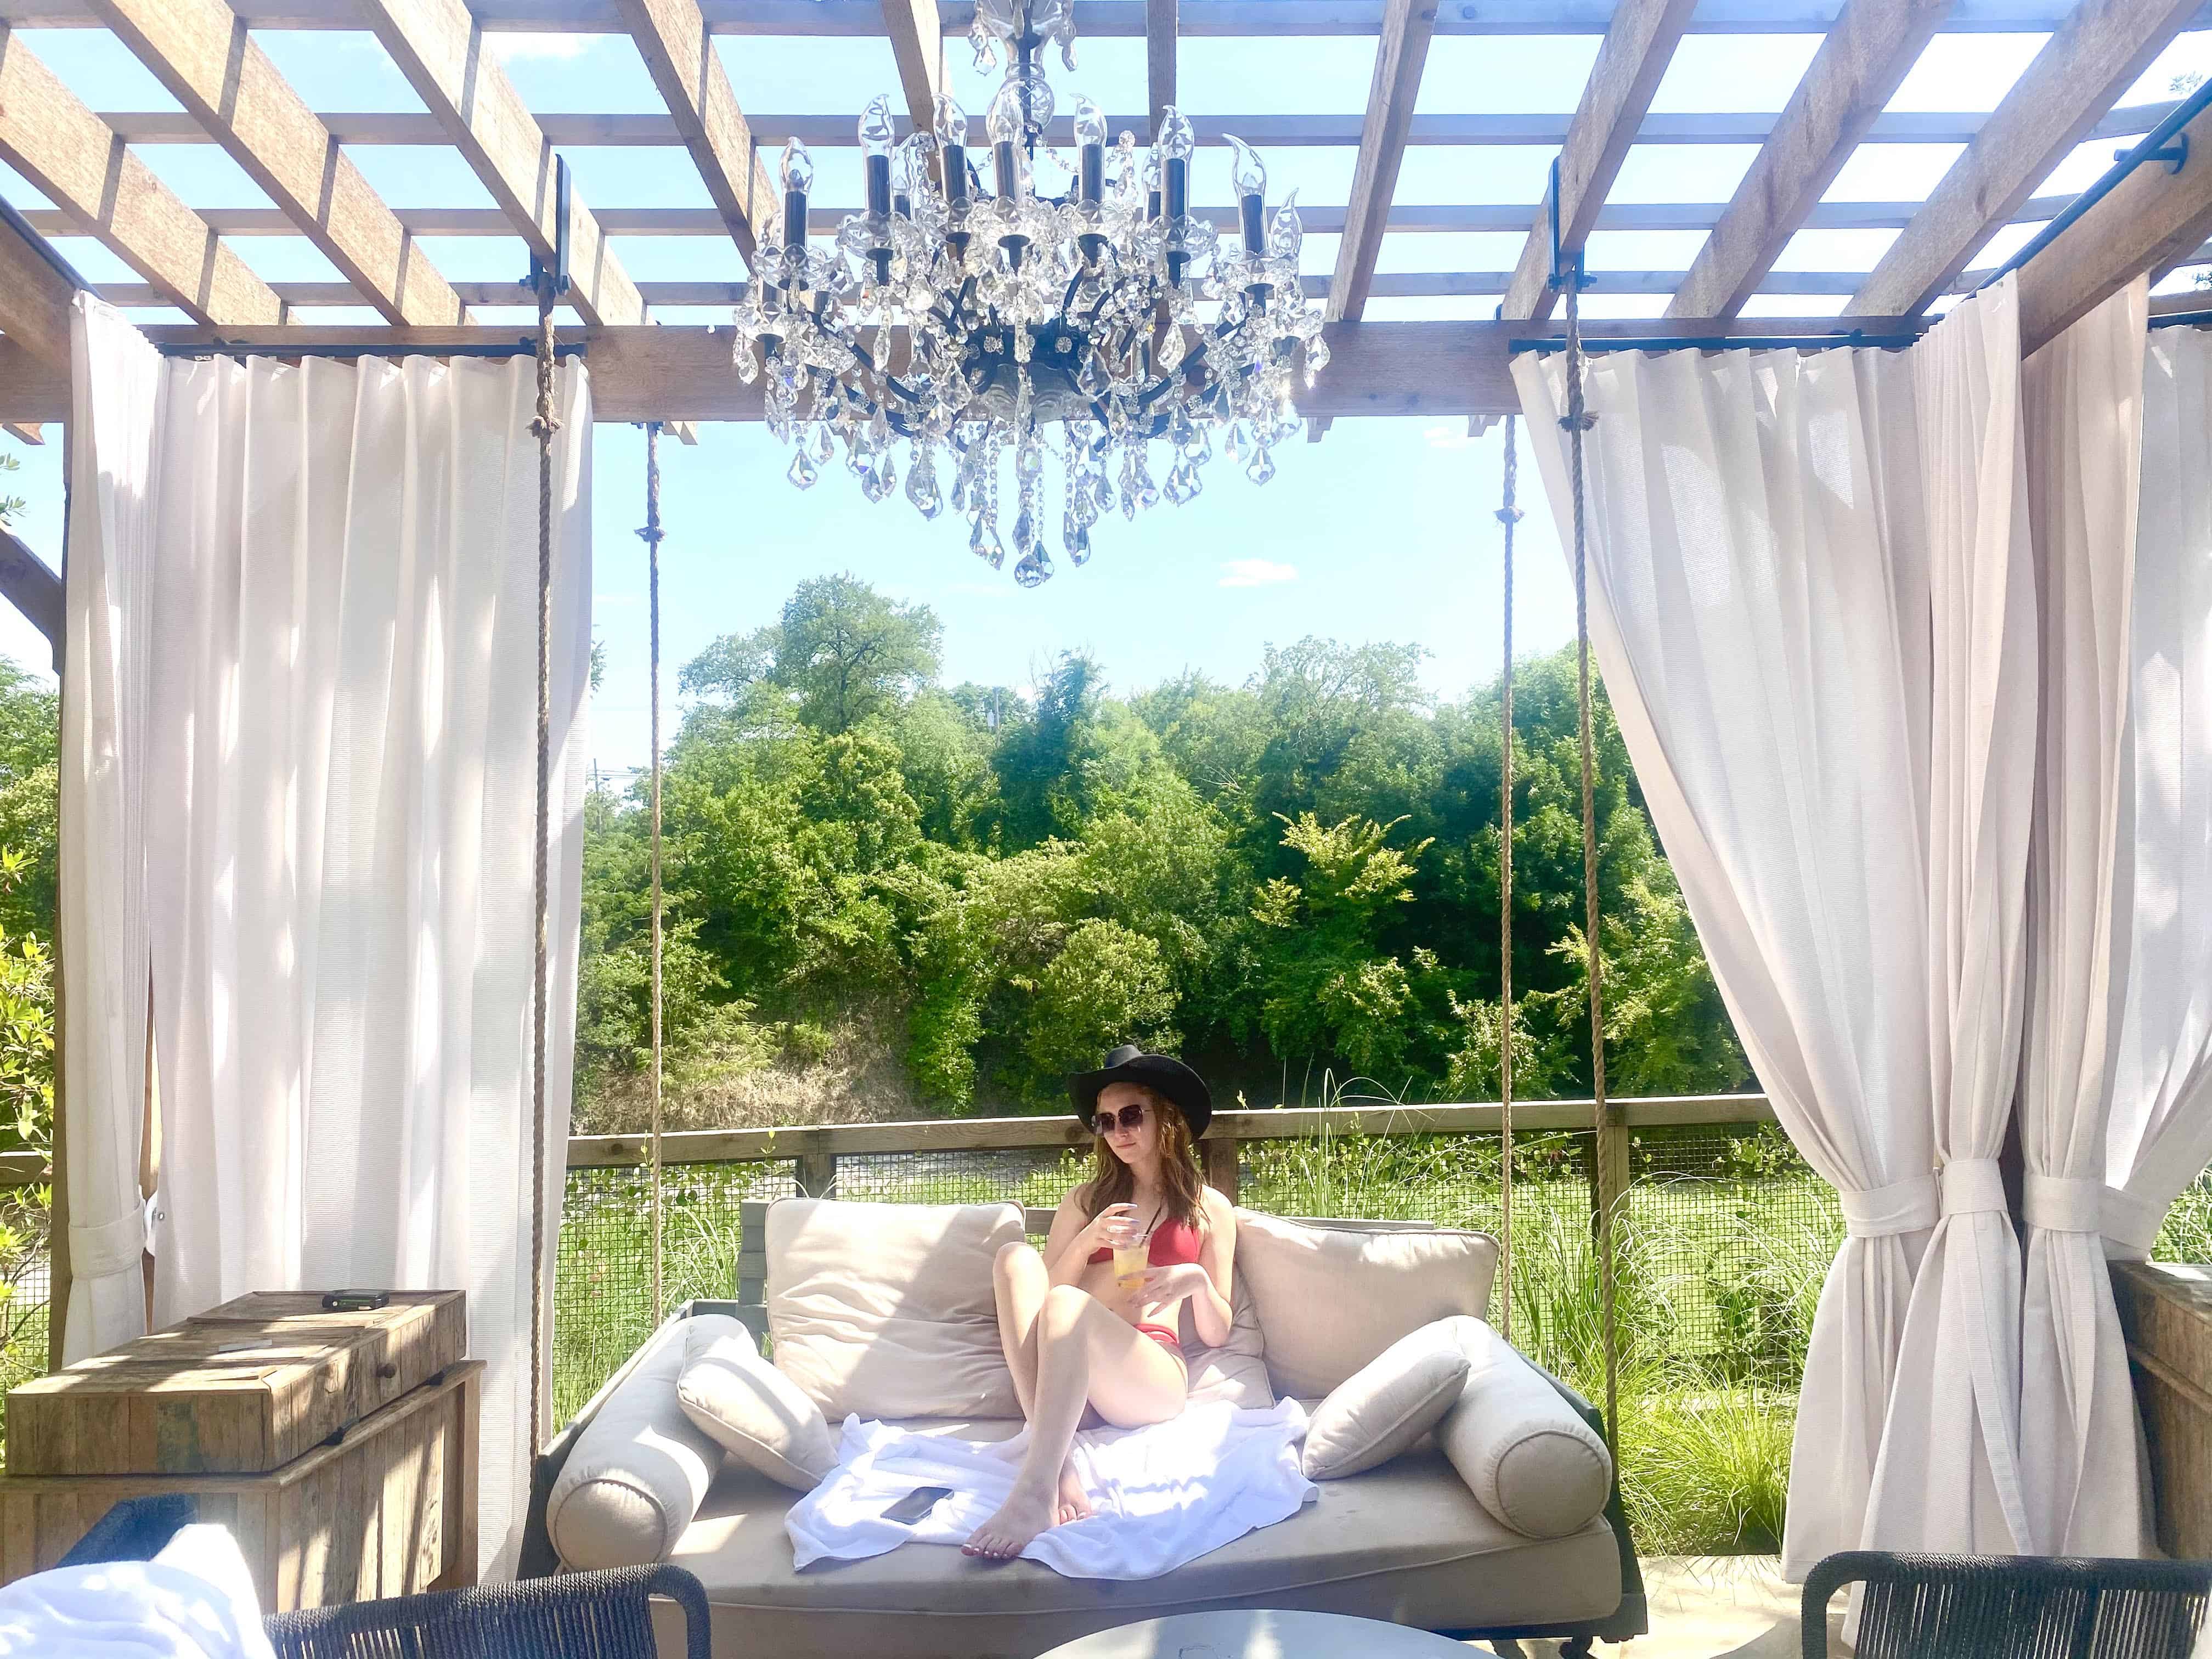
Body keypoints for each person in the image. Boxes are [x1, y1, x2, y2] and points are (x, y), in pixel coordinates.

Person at [962, 1045, 1239, 1560]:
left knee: (1067, 1305)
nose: (1119, 1131)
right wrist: (1089, 1240)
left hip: (1148, 1373)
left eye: (1132, 1115)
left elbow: (1219, 1331)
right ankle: (1060, 1461)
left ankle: (1035, 1490)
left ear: (1168, 1118)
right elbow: (1038, 1299)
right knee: (1014, 1258)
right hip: (1071, 1385)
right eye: (1106, 1121)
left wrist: (1196, 1280)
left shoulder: (1208, 1208)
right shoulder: (1086, 1200)